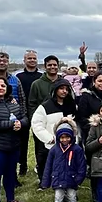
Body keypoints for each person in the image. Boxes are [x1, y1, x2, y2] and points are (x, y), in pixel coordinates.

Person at [31, 79, 78, 189]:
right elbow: (37, 124)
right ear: (55, 90)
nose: (64, 91)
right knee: (46, 164)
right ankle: (44, 183)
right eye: (61, 89)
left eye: (67, 89)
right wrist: (49, 138)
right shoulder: (45, 106)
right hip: (51, 143)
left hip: (68, 143)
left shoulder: (71, 105)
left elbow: (75, 123)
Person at [42, 118, 86, 202]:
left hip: (72, 178)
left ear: (72, 137)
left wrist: (79, 178)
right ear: (58, 137)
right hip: (58, 178)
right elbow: (48, 166)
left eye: (67, 137)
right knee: (58, 198)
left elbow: (82, 165)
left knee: (72, 197)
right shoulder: (54, 150)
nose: (65, 139)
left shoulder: (77, 150)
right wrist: (45, 182)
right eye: (62, 137)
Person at [28, 55, 61, 185]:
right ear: (45, 66)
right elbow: (31, 104)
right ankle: (43, 179)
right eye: (50, 65)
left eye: (54, 65)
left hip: (58, 122)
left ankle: (58, 177)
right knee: (42, 152)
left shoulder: (63, 82)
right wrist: (34, 122)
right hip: (42, 123)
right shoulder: (37, 84)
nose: (52, 67)